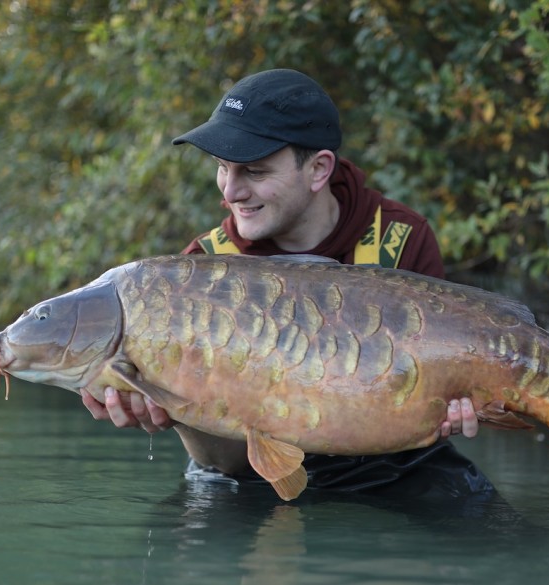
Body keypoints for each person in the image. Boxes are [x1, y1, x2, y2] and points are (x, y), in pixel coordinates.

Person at [81, 69, 489, 496]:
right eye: (223, 169)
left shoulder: (399, 240)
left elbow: (437, 396)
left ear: (318, 170)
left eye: (254, 172)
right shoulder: (200, 273)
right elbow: (221, 461)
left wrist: (452, 406)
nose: (230, 192)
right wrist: (175, 410)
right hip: (240, 470)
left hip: (388, 462)